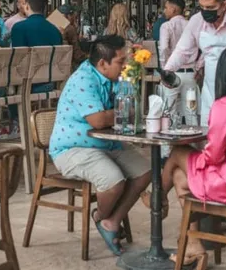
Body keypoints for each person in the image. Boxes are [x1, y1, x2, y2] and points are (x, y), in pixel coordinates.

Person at [144, 47, 226, 270]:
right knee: (179, 176)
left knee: (176, 154)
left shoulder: (225, 106)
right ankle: (193, 245)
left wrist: (200, 160)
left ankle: (158, 199)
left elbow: (214, 155)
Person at [48, 35, 151, 256]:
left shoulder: (114, 79)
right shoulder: (83, 80)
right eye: (120, 62)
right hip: (73, 149)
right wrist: (123, 111)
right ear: (102, 64)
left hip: (106, 144)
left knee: (145, 172)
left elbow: (129, 108)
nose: (125, 66)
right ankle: (101, 217)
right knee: (113, 181)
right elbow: (98, 120)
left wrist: (129, 85)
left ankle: (111, 221)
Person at [2, 0, 63, 138]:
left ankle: (17, 124)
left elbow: (18, 60)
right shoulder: (55, 30)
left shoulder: (19, 27)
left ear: (27, 6)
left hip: (29, 84)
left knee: (6, 86)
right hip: (50, 83)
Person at [157, 0, 197, 125]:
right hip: (191, 73)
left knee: (169, 110)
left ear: (174, 9)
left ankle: (169, 143)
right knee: (191, 110)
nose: (164, 10)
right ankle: (195, 142)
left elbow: (163, 48)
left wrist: (165, 69)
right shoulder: (191, 25)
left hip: (172, 73)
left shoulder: (166, 26)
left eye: (166, 7)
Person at [58, 4, 87, 68]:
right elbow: (77, 55)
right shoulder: (69, 28)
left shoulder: (53, 25)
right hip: (68, 65)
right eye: (75, 17)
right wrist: (88, 57)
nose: (75, 19)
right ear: (69, 16)